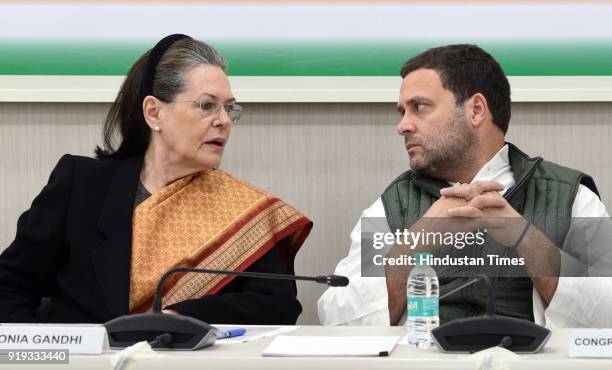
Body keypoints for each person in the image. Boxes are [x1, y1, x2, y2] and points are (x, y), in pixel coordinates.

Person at [0, 34, 312, 324]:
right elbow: (10, 288)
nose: (223, 121)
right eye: (207, 105)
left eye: (230, 109)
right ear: (153, 113)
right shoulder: (81, 185)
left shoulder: (243, 210)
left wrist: (180, 316)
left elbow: (278, 306)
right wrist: (40, 356)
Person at [318, 44, 612, 328]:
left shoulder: (568, 196)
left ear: (476, 110)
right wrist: (414, 243)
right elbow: (336, 318)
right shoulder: (393, 203)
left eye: (419, 107)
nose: (403, 126)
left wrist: (529, 241)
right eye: (402, 112)